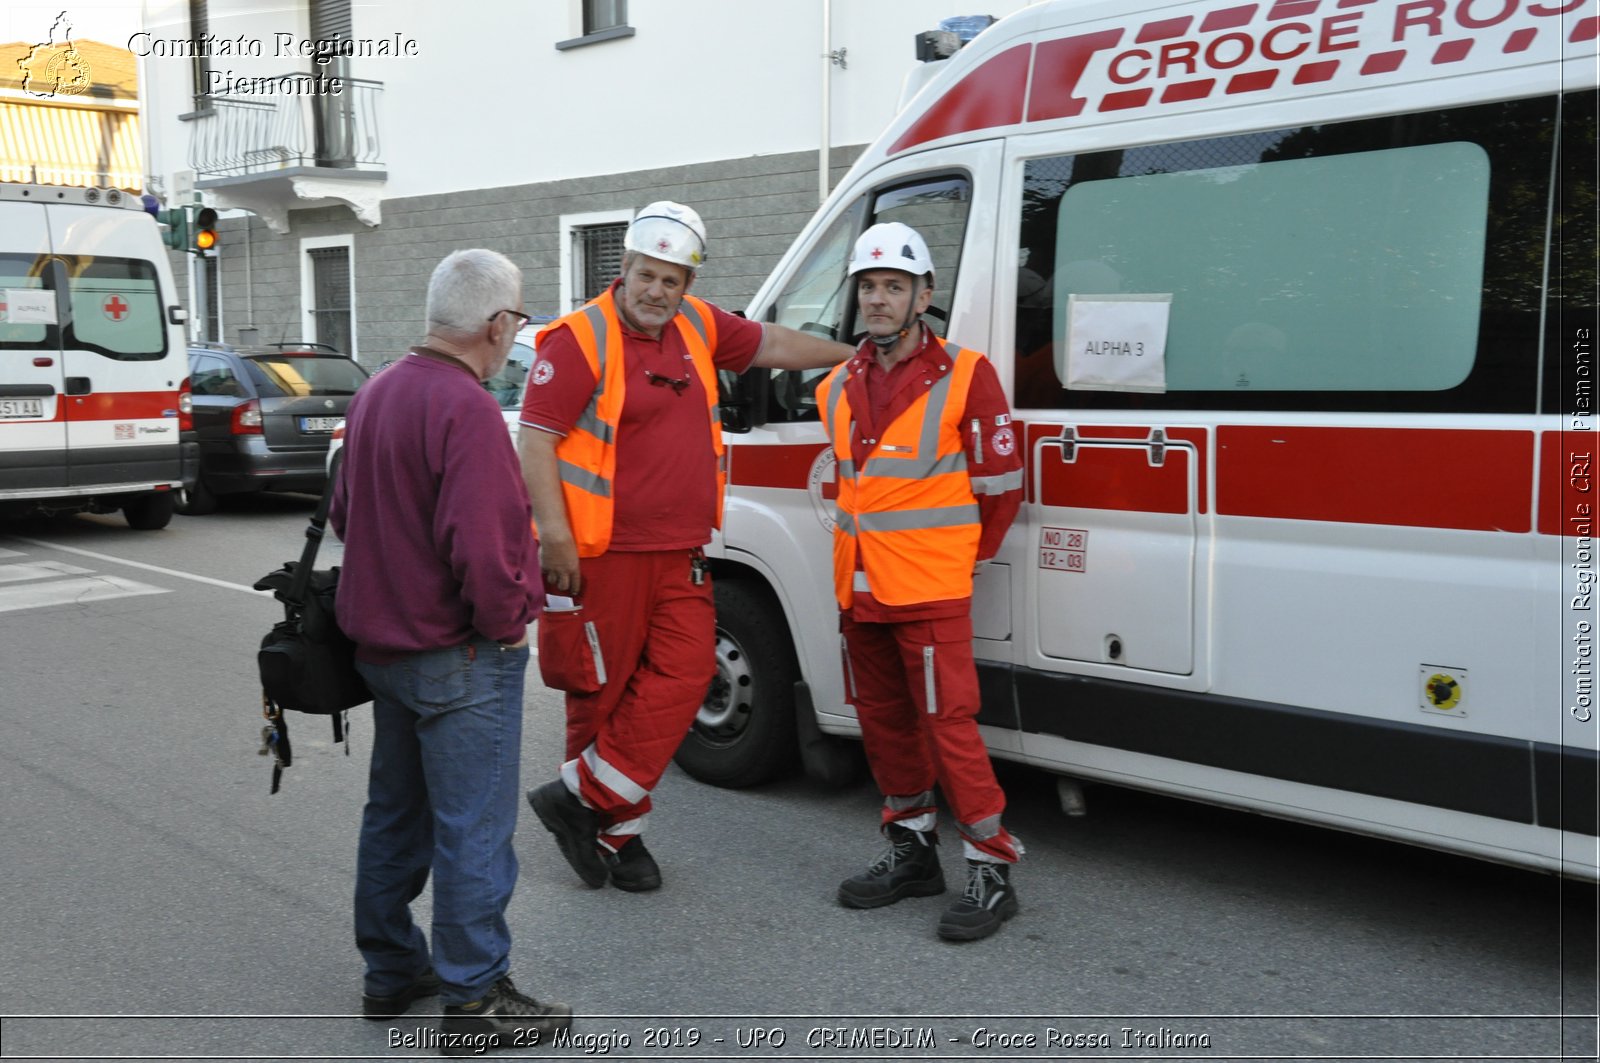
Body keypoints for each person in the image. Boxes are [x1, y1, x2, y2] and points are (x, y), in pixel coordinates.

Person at [519, 201, 852, 893]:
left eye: (673, 280)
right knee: (600, 693)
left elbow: (771, 344)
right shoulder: (579, 339)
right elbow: (537, 439)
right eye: (647, 274)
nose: (657, 292)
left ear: (688, 285)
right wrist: (553, 535)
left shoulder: (697, 326)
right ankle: (618, 835)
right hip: (598, 554)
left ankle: (577, 796)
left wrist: (851, 355)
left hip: (681, 550)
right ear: (625, 267)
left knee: (683, 673)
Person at [331, 249, 571, 1050]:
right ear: (499, 326)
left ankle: (392, 970)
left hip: (383, 652)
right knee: (472, 828)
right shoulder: (465, 408)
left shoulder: (376, 392)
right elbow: (484, 547)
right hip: (458, 656)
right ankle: (474, 999)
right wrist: (507, 622)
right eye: (519, 323)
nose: (516, 338)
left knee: (394, 815)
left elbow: (342, 515)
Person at [816, 221, 1025, 942]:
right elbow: (852, 486)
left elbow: (1002, 489)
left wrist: (958, 559)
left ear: (923, 295)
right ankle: (911, 853)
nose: (878, 300)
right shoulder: (837, 385)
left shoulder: (968, 374)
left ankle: (992, 869)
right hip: (860, 590)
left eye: (893, 287)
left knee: (950, 728)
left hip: (930, 589)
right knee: (884, 725)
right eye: (868, 286)